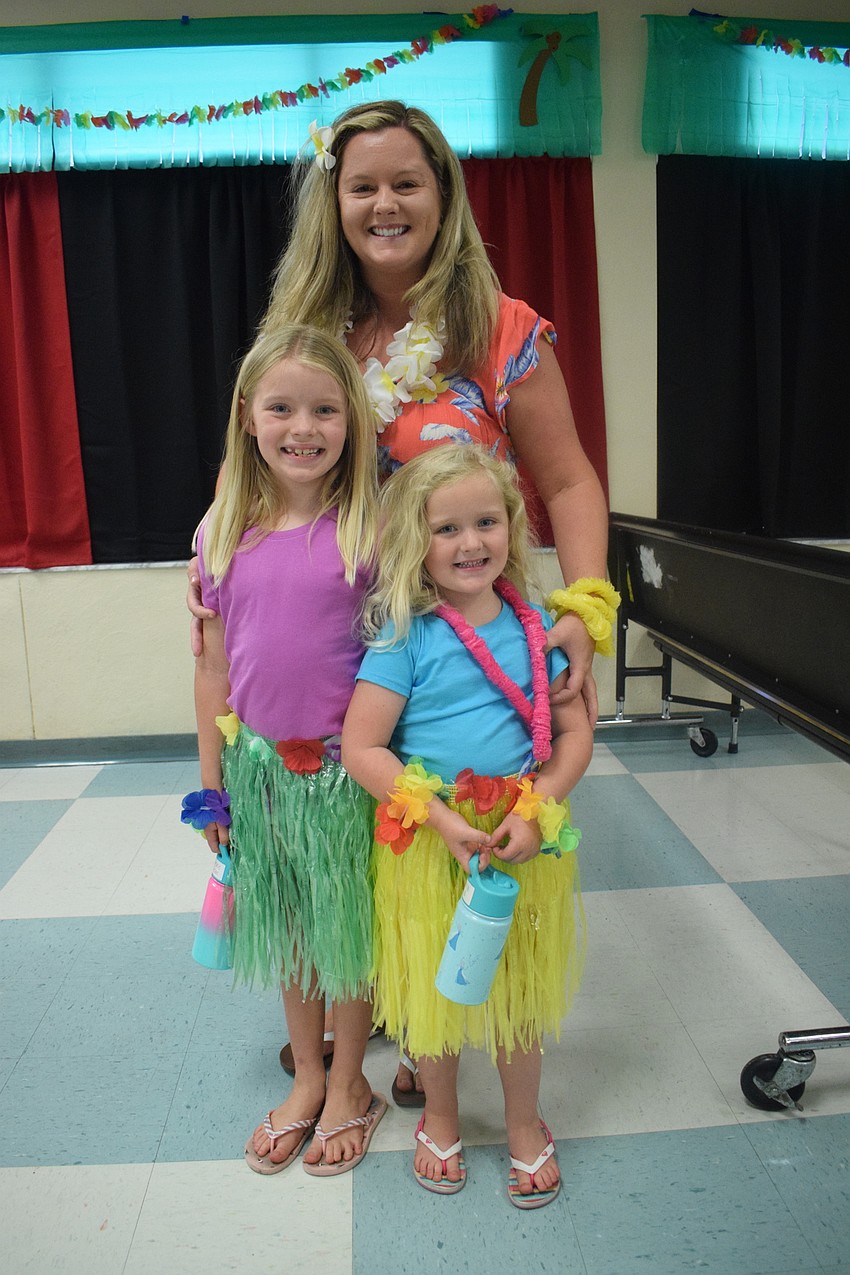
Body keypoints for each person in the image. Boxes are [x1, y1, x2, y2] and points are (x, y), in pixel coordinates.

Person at [188, 98, 611, 1102]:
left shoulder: (501, 330)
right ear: (334, 202)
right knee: (350, 826)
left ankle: (438, 1022)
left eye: (406, 182)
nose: (384, 203)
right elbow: (262, 465)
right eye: (362, 185)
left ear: (443, 195)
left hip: (456, 638)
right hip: (344, 645)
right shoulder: (311, 335)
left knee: (445, 822)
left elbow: (568, 483)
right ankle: (364, 1005)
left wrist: (587, 608)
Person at [341, 446, 595, 1208]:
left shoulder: (541, 625)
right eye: (446, 528)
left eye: (486, 521)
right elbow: (362, 746)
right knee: (438, 987)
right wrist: (445, 821)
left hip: (524, 834)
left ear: (511, 527)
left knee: (518, 987)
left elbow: (577, 735)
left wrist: (534, 807)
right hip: (432, 837)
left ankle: (523, 1121)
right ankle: (442, 1114)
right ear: (414, 542)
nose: (470, 542)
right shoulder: (403, 631)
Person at [191, 323, 387, 1176]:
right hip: (261, 774)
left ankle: (351, 1084)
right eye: (281, 407)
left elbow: (407, 663)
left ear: (353, 421)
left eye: (323, 409)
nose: (301, 427)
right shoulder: (220, 530)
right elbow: (209, 672)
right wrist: (212, 786)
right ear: (247, 416)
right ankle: (306, 1073)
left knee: (345, 931)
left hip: (348, 775)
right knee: (290, 927)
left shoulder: (372, 531)